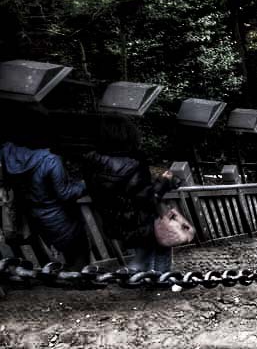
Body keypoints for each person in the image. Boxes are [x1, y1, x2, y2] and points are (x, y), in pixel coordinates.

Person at [81, 114, 179, 273]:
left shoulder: (91, 160)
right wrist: (164, 183)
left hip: (113, 221)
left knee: (144, 253)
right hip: (139, 221)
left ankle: (142, 277)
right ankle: (157, 281)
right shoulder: (133, 162)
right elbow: (147, 197)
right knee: (161, 247)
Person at [0, 120, 89, 270]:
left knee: (62, 254)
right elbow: (65, 193)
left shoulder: (7, 152)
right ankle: (80, 282)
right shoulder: (50, 159)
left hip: (35, 216)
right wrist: (84, 185)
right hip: (60, 216)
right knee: (78, 254)